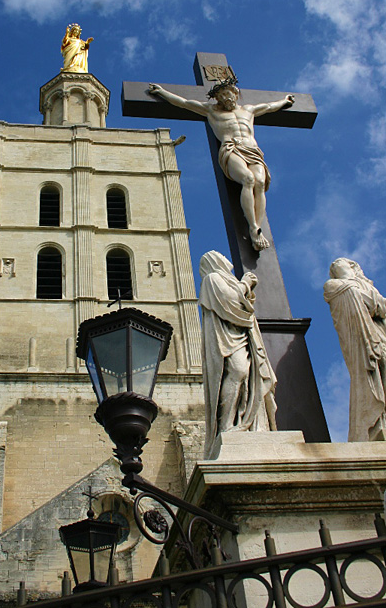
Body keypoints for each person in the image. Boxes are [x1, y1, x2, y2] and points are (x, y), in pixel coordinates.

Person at [149, 78, 294, 251]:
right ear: (217, 98)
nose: (226, 98)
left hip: (253, 150)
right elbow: (184, 103)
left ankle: (257, 224)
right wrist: (162, 92)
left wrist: (284, 101)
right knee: (248, 179)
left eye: (229, 94)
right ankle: (253, 227)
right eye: (222, 95)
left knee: (260, 183)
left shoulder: (249, 110)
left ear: (236, 94)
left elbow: (270, 107)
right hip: (231, 148)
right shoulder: (211, 111)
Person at [199, 251, 277, 459]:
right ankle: (226, 426)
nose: (224, 257)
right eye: (219, 255)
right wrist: (244, 284)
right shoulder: (212, 279)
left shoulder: (226, 279)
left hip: (241, 335)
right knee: (238, 371)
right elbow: (230, 302)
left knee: (248, 376)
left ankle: (246, 423)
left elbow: (242, 304)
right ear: (214, 261)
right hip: (226, 339)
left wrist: (244, 288)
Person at [324, 258, 386, 441]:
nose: (336, 266)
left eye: (341, 264)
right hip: (362, 341)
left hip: (379, 332)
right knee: (374, 371)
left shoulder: (366, 287)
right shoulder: (334, 286)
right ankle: (375, 425)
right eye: (334, 266)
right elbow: (374, 304)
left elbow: (380, 306)